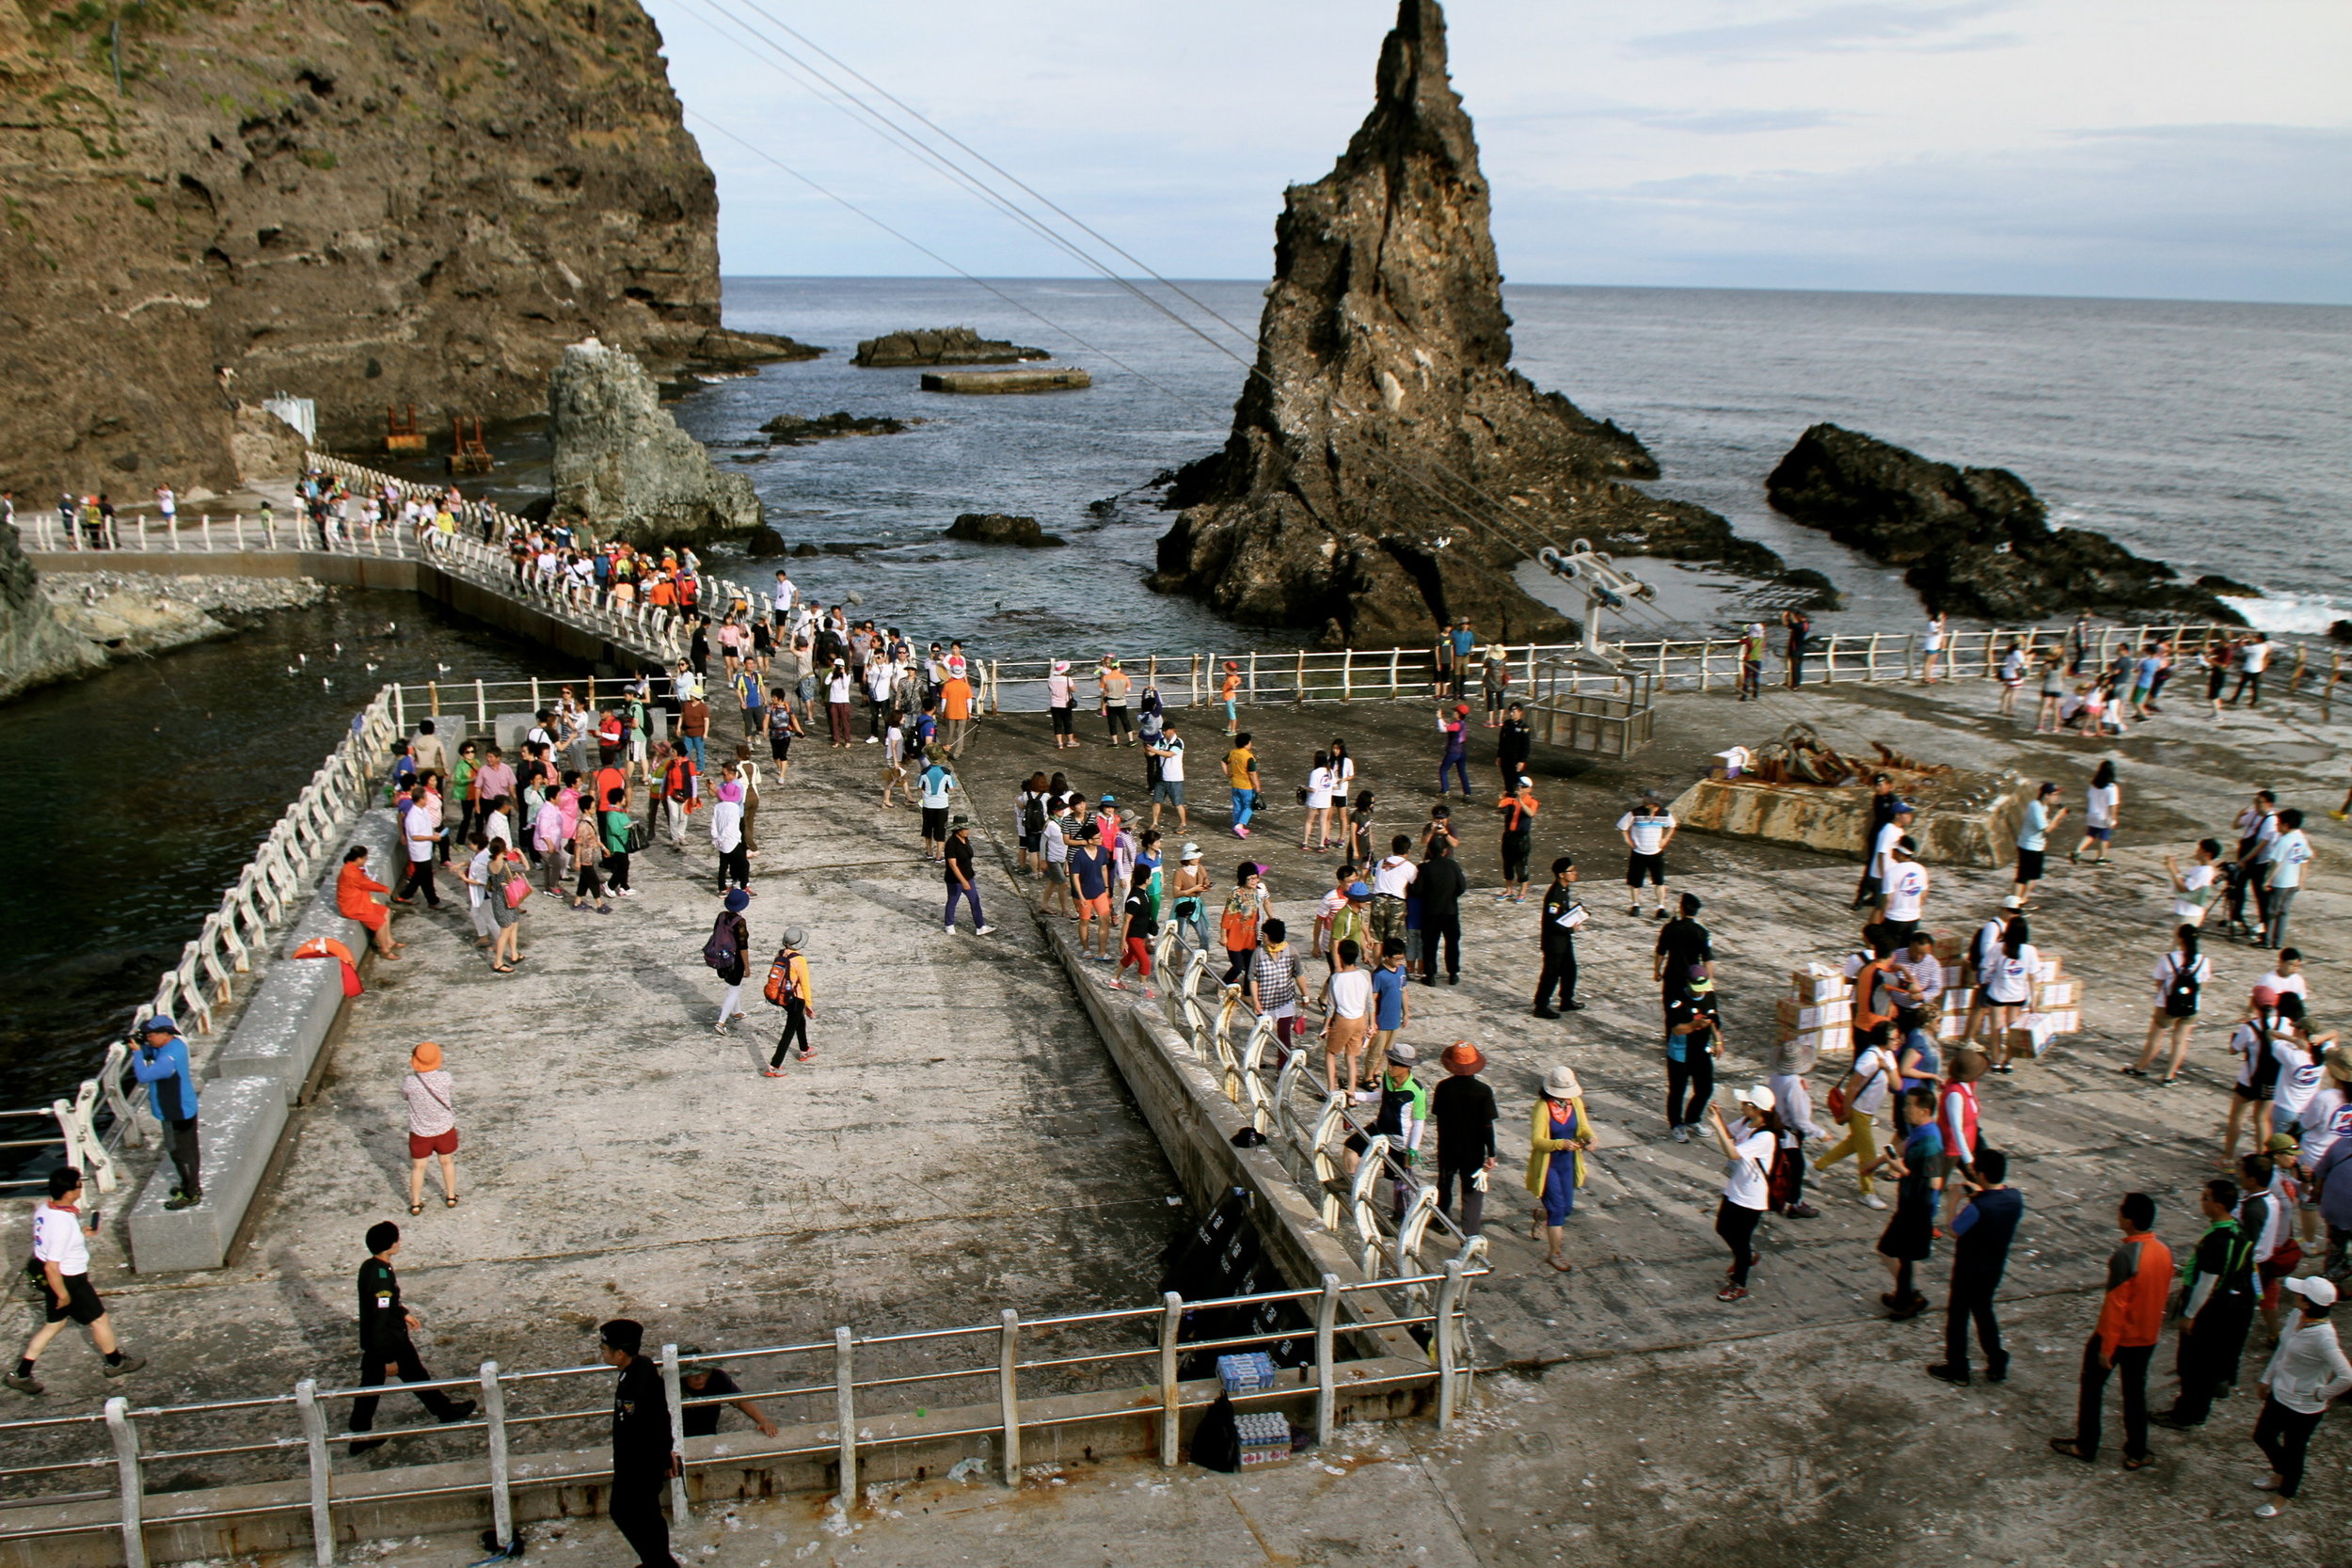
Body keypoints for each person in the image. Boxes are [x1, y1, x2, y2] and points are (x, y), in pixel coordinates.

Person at [2049, 1193, 2172, 1470]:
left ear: (2128, 1220)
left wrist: (2106, 1348)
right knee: (2134, 1393)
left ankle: (2086, 1444)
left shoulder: (2125, 1256)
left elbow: (2116, 1306)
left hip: (2119, 1338)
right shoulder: (2163, 1251)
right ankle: (2137, 1451)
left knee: (2092, 1388)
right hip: (2147, 1335)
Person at [6, 1166, 146, 1397]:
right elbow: (53, 1265)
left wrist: (80, 1234)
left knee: (54, 1324)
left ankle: (21, 1374)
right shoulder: (63, 1223)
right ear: (70, 1192)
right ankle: (115, 1363)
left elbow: (52, 1242)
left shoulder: (45, 1209)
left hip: (53, 1277)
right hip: (69, 1280)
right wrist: (63, 1295)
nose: (81, 1188)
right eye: (79, 1185)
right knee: (100, 1320)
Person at [347, 1220, 475, 1450]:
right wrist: (388, 1358)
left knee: (377, 1387)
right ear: (390, 1245)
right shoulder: (382, 1277)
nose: (399, 1243)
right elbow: (380, 1316)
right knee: (381, 1385)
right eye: (396, 1239)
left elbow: (384, 1305)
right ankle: (360, 1436)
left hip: (383, 1340)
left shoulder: (371, 1267)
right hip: (389, 1343)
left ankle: (360, 1434)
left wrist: (403, 1312)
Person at [2153, 1179, 2259, 1430]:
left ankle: (2186, 1414)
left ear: (2219, 1206)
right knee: (2206, 1363)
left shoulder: (2218, 1241)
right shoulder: (2236, 1230)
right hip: (2228, 1305)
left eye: (2206, 1198)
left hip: (2210, 1309)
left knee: (2195, 1365)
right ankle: (2197, 1408)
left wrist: (2189, 1314)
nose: (2202, 1201)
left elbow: (2207, 1283)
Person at [2249, 1275, 2352, 1517]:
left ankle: (2285, 1495)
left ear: (2307, 1303)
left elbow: (2347, 1376)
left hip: (2304, 1407)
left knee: (2294, 1449)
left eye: (2299, 1294)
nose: (2295, 1295)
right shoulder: (2298, 1317)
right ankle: (2281, 1472)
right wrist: (2267, 1378)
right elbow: (2283, 1350)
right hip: (2280, 1393)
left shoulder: (2324, 1337)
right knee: (2263, 1436)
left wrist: (2322, 1394)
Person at [1926, 1147, 2022, 1385]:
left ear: (1981, 1175)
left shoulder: (1977, 1208)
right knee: (1983, 1311)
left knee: (1958, 1316)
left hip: (1969, 1268)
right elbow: (1993, 1199)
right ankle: (1996, 1359)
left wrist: (1953, 1202)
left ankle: (1957, 1367)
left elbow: (1954, 1229)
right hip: (1994, 1267)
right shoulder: (2014, 1198)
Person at [598, 1319, 681, 1568]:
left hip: (638, 1465)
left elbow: (653, 1422)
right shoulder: (641, 1366)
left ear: (620, 1353)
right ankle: (657, 1562)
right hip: (642, 1461)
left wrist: (663, 1457)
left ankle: (659, 1563)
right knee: (648, 1515)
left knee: (625, 1512)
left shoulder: (635, 1384)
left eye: (604, 1349)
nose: (602, 1353)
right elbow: (660, 1415)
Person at [1867, 1086, 1944, 1320]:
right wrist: (1876, 1163)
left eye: (1910, 1105)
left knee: (1893, 1251)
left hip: (1918, 1209)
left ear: (1924, 1110)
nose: (1905, 1109)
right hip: (1910, 1206)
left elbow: (1935, 1183)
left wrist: (1902, 1170)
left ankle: (1908, 1298)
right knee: (1902, 1255)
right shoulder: (1921, 1131)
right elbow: (1904, 1146)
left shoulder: (1930, 1141)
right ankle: (1905, 1295)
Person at [1707, 1085, 1779, 1302]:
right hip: (1736, 1188)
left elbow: (1733, 1152)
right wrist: (1718, 1118)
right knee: (1723, 1228)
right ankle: (1747, 1257)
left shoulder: (1766, 1136)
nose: (1741, 1105)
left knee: (1740, 1240)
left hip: (1751, 1197)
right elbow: (1729, 1135)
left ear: (1757, 1109)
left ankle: (1739, 1283)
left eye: (1746, 1103)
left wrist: (1715, 1125)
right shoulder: (1747, 1122)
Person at [1816, 1027, 1898, 1210]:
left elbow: (1897, 1084)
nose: (1897, 1040)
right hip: (1859, 1110)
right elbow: (1852, 1087)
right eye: (1894, 1037)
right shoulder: (1868, 1059)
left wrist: (1886, 1068)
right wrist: (1846, 1112)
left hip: (1869, 1112)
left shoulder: (1888, 1056)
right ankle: (1867, 1192)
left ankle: (1816, 1168)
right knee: (1867, 1153)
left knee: (1852, 1144)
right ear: (1883, 1039)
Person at [1526, 1066, 1592, 1275]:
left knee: (1566, 1209)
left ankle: (1542, 1215)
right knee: (1558, 1211)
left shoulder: (1575, 1103)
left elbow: (1583, 1127)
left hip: (1568, 1163)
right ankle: (1554, 1253)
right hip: (1549, 1166)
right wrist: (1560, 1144)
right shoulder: (1542, 1108)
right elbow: (1537, 1141)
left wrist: (1589, 1138)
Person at [131, 1016, 201, 1209]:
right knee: (190, 1150)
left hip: (174, 1111)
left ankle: (190, 1193)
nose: (149, 1039)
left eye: (151, 1035)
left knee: (179, 1152)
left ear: (165, 1034)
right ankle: (191, 1184)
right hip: (184, 1107)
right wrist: (143, 1046)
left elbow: (143, 1075)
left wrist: (137, 1053)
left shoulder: (168, 1059)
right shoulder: (176, 1046)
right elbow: (154, 1052)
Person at [2126, 924, 2210, 1083]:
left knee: (2155, 1038)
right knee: (2180, 1041)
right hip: (2191, 1006)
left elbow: (2159, 982)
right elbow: (2203, 985)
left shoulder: (2169, 959)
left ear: (2180, 939)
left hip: (2167, 1005)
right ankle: (2169, 1075)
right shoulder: (2204, 961)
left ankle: (2141, 1067)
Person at [1432, 1042, 1498, 1237]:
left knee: (1444, 1184)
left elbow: (1439, 1118)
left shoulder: (1443, 1088)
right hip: (1473, 1149)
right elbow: (1487, 1126)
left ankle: (1441, 1220)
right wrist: (1491, 1153)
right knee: (1471, 1192)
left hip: (1448, 1145)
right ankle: (1470, 1233)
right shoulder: (1483, 1091)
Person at [401, 1041, 460, 1213]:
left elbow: (404, 1096)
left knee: (418, 1167)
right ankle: (450, 1196)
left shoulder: (410, 1082)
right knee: (447, 1162)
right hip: (444, 1128)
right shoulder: (445, 1078)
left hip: (420, 1131)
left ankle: (416, 1203)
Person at [677, 1352, 780, 1439]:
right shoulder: (672, 1385)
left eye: (703, 1373)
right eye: (693, 1375)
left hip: (708, 1433)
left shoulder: (717, 1377)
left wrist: (763, 1421)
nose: (699, 1378)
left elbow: (739, 1400)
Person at [1320, 939, 1373, 1100]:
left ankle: (1331, 1090)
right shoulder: (1365, 974)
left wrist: (1325, 1026)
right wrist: (1372, 1023)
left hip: (1344, 1020)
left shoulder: (1336, 978)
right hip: (1360, 1019)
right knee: (1351, 1057)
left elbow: (1331, 1008)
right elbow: (1370, 1002)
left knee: (1330, 1053)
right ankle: (1352, 1092)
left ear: (1340, 956)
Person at [1663, 1000, 1724, 1143]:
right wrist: (1695, 1025)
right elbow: (1676, 1030)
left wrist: (1718, 1042)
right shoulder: (1679, 1002)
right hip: (1680, 1054)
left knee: (1705, 1089)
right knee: (1678, 1091)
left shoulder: (1709, 996)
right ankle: (1677, 1124)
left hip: (1701, 1052)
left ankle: (1693, 1118)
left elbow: (1713, 1020)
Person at [1247, 917, 1306, 1059]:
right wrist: (1255, 1001)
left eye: (1265, 935)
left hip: (1285, 1002)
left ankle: (1282, 1066)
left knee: (1284, 1036)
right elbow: (1253, 978)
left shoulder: (1291, 951)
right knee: (1260, 1035)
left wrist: (1305, 995)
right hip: (1265, 1003)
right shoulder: (1259, 953)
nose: (1263, 938)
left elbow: (1299, 975)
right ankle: (1255, 1061)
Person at [1534, 856, 1583, 1017]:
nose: (1575, 873)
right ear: (1562, 874)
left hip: (1563, 941)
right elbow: (1552, 922)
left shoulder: (1564, 890)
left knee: (1570, 970)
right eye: (1571, 871)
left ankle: (1566, 1000)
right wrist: (1571, 928)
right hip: (1554, 943)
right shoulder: (1555, 895)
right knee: (1551, 974)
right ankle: (1541, 1006)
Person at [762, 927, 816, 1073]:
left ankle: (804, 1049)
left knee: (799, 1021)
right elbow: (805, 984)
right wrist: (809, 1005)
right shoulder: (799, 960)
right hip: (796, 998)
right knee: (789, 1031)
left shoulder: (780, 954)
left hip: (783, 995)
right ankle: (774, 1065)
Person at [1415, 838, 1467, 986]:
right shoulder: (1453, 865)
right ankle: (1453, 973)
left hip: (1431, 912)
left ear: (1430, 851)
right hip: (1450, 911)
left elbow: (1418, 890)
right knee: (1452, 943)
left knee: (1430, 945)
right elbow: (1462, 887)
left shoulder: (1424, 868)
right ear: (1445, 851)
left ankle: (1430, 975)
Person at [2260, 807, 2312, 950]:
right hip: (2293, 882)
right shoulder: (2300, 836)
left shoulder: (2284, 840)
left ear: (2286, 825)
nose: (2276, 826)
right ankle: (2278, 941)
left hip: (2280, 882)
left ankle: (2267, 940)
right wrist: (2302, 878)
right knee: (2283, 912)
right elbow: (2308, 855)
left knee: (2271, 911)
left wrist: (2266, 880)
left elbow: (2276, 862)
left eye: (2278, 823)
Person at [337, 844, 402, 959]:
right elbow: (365, 884)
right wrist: (383, 888)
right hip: (353, 907)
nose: (366, 861)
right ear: (358, 859)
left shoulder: (351, 868)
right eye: (365, 859)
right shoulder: (350, 872)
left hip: (361, 902)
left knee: (385, 911)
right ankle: (384, 950)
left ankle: (389, 941)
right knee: (380, 922)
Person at [2009, 783, 2065, 910]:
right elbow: (2046, 829)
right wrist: (2059, 816)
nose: (2057, 798)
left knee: (2033, 876)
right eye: (2055, 795)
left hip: (2037, 846)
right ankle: (2013, 905)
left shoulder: (2044, 807)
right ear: (2046, 795)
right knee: (2022, 877)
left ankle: (2023, 900)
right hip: (2028, 847)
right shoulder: (2036, 807)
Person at [1618, 798, 1676, 919]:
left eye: (1656, 805)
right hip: (1639, 853)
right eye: (1652, 805)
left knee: (1659, 881)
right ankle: (1635, 905)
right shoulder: (1635, 813)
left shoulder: (1664, 814)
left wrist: (1665, 839)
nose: (1655, 808)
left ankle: (1661, 907)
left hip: (1656, 853)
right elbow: (1623, 827)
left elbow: (1672, 825)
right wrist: (1629, 841)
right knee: (1635, 882)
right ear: (1647, 805)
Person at [944, 817, 993, 936]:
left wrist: (967, 880)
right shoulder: (951, 844)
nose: (968, 830)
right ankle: (949, 924)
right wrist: (963, 881)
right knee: (952, 901)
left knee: (975, 900)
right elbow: (952, 865)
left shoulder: (966, 839)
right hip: (955, 880)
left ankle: (980, 926)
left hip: (968, 876)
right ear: (958, 830)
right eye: (965, 828)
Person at [1493, 774, 1538, 904]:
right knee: (1508, 864)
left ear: (1528, 789)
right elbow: (1500, 809)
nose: (1519, 789)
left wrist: (1521, 802)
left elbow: (1531, 813)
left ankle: (1522, 892)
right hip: (1509, 836)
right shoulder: (1511, 800)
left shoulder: (1532, 802)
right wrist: (1501, 800)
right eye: (1518, 786)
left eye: (1522, 787)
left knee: (1521, 865)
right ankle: (1509, 890)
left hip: (1521, 837)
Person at [2073, 760, 2121, 863]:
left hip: (2092, 814)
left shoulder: (2093, 785)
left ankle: (2077, 851)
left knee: (2090, 834)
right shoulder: (2112, 788)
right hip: (2104, 817)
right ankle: (2101, 858)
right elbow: (2112, 805)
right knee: (2104, 837)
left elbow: (2089, 797)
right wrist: (2113, 818)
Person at [1147, 719, 1188, 830]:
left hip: (1175, 778)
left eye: (1166, 730)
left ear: (1173, 730)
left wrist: (1154, 751)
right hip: (1161, 777)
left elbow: (1169, 754)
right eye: (1163, 730)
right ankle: (1155, 822)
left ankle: (1183, 823)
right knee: (1156, 801)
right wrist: (1149, 750)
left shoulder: (1179, 742)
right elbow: (1151, 753)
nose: (1164, 732)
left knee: (1177, 803)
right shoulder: (1161, 741)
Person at [1436, 703, 1471, 799]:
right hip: (1462, 752)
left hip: (1453, 752)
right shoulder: (1463, 724)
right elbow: (1448, 726)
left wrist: (1439, 718)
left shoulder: (1456, 724)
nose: (1453, 713)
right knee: (1462, 772)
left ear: (1458, 714)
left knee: (1443, 769)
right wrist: (1442, 719)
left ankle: (1445, 790)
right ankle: (1467, 793)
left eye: (1455, 712)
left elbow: (1443, 729)